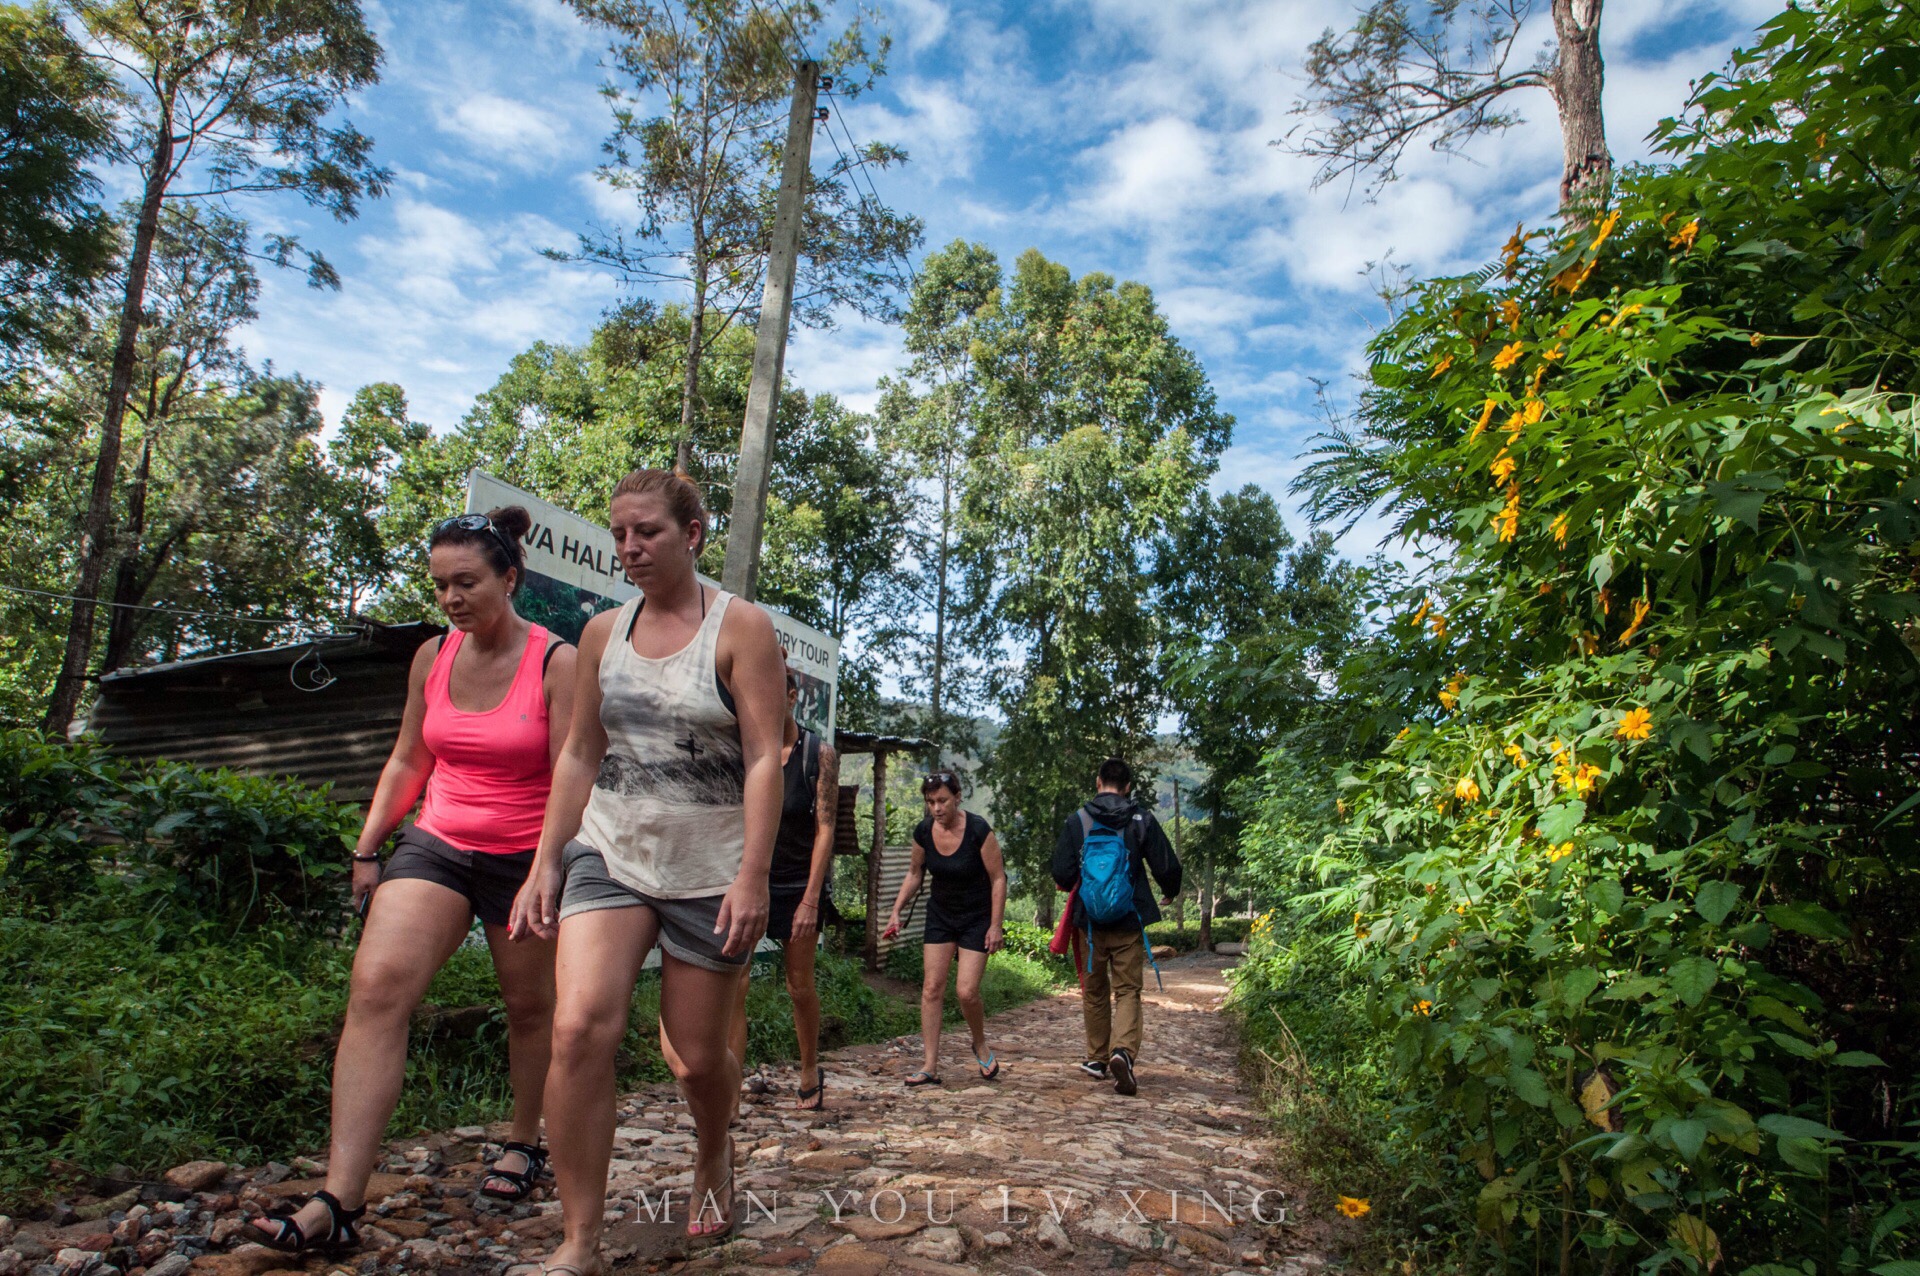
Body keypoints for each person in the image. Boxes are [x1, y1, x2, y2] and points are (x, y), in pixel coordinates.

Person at [243, 508, 576, 1256]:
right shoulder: (431, 656)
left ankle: (524, 1142)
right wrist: (369, 848)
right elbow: (407, 758)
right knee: (377, 989)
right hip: (438, 842)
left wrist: (548, 866)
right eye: (440, 585)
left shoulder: (557, 662)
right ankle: (340, 1197)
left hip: (525, 853)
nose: (452, 598)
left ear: (510, 578)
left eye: (467, 582)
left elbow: (573, 774)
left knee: (529, 1008)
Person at [510, 468, 786, 1272]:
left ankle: (711, 1152)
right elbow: (581, 753)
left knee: (696, 1058)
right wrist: (545, 863)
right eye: (620, 533)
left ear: (692, 534)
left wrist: (754, 876)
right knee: (577, 1027)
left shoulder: (742, 630)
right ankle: (581, 1238)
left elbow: (767, 755)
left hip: (711, 867)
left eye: (648, 532)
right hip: (612, 851)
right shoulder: (602, 634)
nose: (629, 547)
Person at [731, 664, 841, 1108]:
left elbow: (826, 830)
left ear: (792, 696)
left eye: (777, 691)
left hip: (797, 881)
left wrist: (811, 899)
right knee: (734, 983)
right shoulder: (740, 747)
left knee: (799, 984)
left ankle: (810, 1066)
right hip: (747, 878)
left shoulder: (819, 753)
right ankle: (729, 1087)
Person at [1051, 756, 1182, 1097]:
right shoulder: (1141, 819)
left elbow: (1062, 872)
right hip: (1129, 918)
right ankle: (1122, 1051)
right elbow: (1166, 865)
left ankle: (1096, 1059)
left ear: (1097, 783)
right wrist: (1169, 892)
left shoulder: (1077, 820)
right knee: (1126, 990)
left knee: (1094, 990)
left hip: (1089, 923)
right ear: (1128, 788)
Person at [882, 771, 1008, 1087]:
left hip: (976, 917)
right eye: (931, 802)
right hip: (940, 915)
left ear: (957, 797)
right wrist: (896, 910)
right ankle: (929, 1065)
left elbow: (998, 878)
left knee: (966, 991)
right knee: (931, 988)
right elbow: (914, 873)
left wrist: (995, 925)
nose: (937, 808)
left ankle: (978, 1042)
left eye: (942, 801)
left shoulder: (979, 830)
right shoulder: (924, 832)